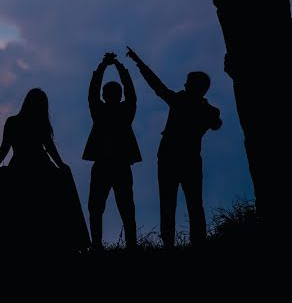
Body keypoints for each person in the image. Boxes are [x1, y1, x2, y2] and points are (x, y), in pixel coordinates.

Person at [126, 47, 222, 247]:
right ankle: (197, 243)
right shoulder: (207, 110)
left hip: (172, 158)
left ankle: (170, 244)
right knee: (194, 205)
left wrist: (140, 64)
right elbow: (215, 124)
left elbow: (157, 85)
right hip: (188, 159)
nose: (184, 84)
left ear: (194, 86)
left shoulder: (181, 101)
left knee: (169, 204)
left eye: (188, 82)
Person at [0, 88, 90, 253]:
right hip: (38, 166)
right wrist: (61, 165)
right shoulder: (38, 122)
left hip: (22, 166)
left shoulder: (13, 122)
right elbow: (47, 148)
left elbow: (5, 148)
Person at [84, 52, 141, 250]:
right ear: (119, 95)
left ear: (105, 96)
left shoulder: (100, 112)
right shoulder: (126, 111)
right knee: (126, 208)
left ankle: (97, 246)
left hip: (103, 165)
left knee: (97, 208)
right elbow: (131, 91)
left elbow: (92, 92)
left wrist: (103, 66)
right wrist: (118, 67)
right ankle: (131, 246)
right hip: (121, 165)